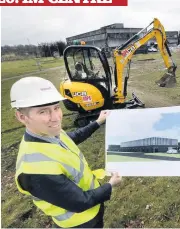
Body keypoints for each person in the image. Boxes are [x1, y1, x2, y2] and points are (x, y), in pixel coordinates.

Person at [10, 76, 122, 228]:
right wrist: (110, 185)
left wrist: (98, 121)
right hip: (80, 222)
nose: (55, 118)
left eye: (56, 108)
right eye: (43, 112)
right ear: (22, 117)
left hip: (92, 211)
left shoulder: (48, 133)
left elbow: (72, 137)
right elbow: (81, 202)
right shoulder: (34, 170)